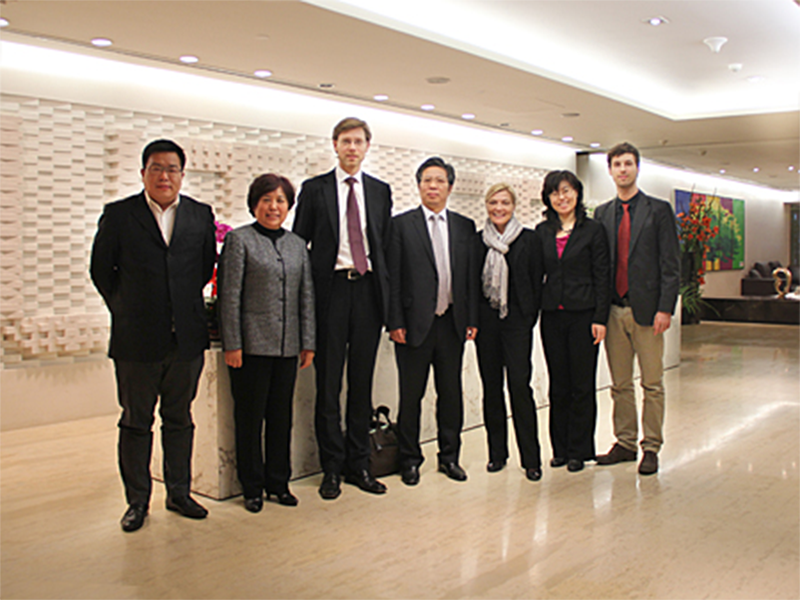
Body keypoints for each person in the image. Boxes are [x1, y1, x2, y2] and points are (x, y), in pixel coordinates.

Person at [90, 139, 216, 532]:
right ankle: (137, 502)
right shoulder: (119, 214)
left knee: (179, 419)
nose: (165, 175)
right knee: (136, 422)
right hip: (136, 340)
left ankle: (179, 493)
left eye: (172, 168)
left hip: (186, 339)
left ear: (182, 174)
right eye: (157, 168)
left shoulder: (199, 215)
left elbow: (203, 269)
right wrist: (126, 308)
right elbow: (101, 271)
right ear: (143, 173)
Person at [293, 118, 393, 500]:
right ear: (334, 145)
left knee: (362, 385)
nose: (352, 148)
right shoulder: (314, 189)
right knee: (329, 385)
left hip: (368, 293)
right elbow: (298, 245)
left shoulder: (380, 192)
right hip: (330, 293)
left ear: (367, 146)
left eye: (358, 141)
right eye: (346, 141)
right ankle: (331, 469)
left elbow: (384, 248)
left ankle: (360, 465)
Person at [218, 174, 315, 513]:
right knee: (250, 419)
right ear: (254, 204)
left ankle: (278, 482)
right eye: (266, 200)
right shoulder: (239, 240)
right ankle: (252, 486)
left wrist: (308, 341)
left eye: (280, 201)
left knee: (280, 417)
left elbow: (306, 296)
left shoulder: (297, 244)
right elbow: (229, 296)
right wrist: (232, 343)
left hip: (288, 347)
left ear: (289, 206)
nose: (274, 207)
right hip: (250, 348)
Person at [388, 157, 478, 486]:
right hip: (412, 325)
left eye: (439, 180)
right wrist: (394, 321)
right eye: (427, 180)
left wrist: (471, 318)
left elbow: (469, 277)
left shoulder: (464, 226)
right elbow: (393, 278)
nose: (433, 186)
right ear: (418, 185)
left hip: (452, 323)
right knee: (410, 396)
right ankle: (410, 459)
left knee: (450, 394)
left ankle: (449, 457)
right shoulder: (401, 225)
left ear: (450, 187)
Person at [594, 142, 680, 475]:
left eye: (628, 163)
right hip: (613, 310)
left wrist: (665, 308)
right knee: (620, 384)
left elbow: (670, 264)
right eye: (617, 164)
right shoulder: (603, 214)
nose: (623, 169)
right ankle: (625, 443)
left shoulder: (658, 210)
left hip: (647, 313)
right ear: (610, 170)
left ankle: (651, 447)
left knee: (652, 384)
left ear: (637, 168)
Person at [535, 171, 610, 473]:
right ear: (548, 198)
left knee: (582, 384)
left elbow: (602, 275)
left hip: (584, 315)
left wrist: (600, 317)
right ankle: (560, 449)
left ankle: (580, 450)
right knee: (558, 385)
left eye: (566, 191)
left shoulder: (593, 230)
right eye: (555, 193)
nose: (561, 197)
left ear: (577, 193)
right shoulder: (542, 231)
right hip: (552, 315)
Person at [475, 183, 543, 482]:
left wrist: (528, 318)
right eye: (493, 202)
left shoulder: (529, 239)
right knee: (491, 389)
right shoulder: (478, 241)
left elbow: (537, 281)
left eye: (504, 202)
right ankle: (497, 454)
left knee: (519, 387)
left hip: (517, 324)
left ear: (513, 206)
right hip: (487, 324)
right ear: (487, 206)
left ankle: (531, 459)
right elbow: (471, 283)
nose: (498, 208)